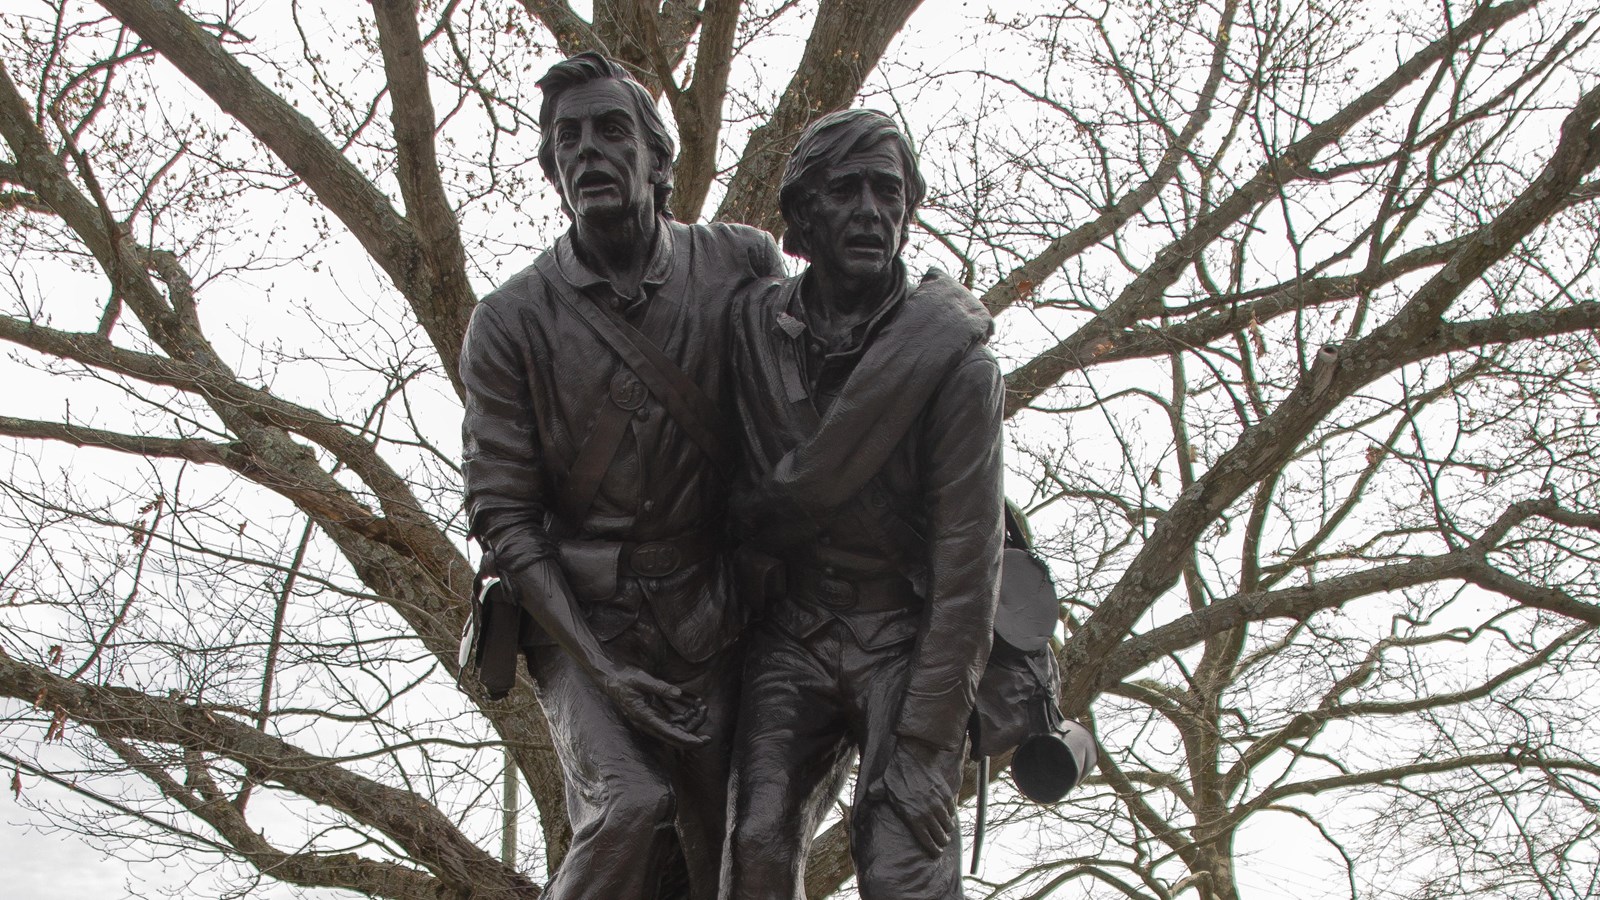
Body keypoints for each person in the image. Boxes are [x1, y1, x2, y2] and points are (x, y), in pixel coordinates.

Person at [459, 52, 783, 900]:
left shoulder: (740, 265)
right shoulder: (508, 322)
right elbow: (503, 516)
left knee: (730, 852)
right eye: (567, 138)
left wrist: (939, 323)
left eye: (611, 130)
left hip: (712, 617)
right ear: (549, 168)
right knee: (629, 804)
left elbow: (818, 396)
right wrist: (603, 670)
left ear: (658, 159)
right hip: (581, 623)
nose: (587, 151)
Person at [721, 109, 1005, 900]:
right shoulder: (751, 329)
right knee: (754, 840)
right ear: (803, 218)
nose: (873, 211)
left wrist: (923, 744)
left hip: (903, 637)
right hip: (794, 632)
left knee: (901, 852)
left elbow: (966, 577)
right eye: (846, 191)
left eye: (890, 192)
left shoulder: (957, 369)